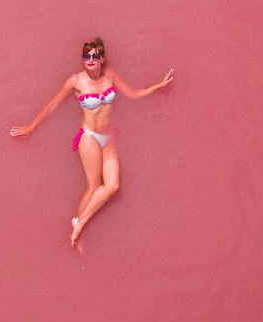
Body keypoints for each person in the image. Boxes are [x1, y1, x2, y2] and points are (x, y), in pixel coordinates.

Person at [9, 36, 173, 253]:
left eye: (95, 56)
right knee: (94, 186)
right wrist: (31, 127)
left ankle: (79, 223)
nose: (91, 59)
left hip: (108, 137)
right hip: (89, 137)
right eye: (87, 55)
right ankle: (78, 235)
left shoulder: (110, 75)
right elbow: (53, 104)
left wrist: (156, 87)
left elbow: (132, 94)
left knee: (113, 185)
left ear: (102, 59)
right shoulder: (76, 82)